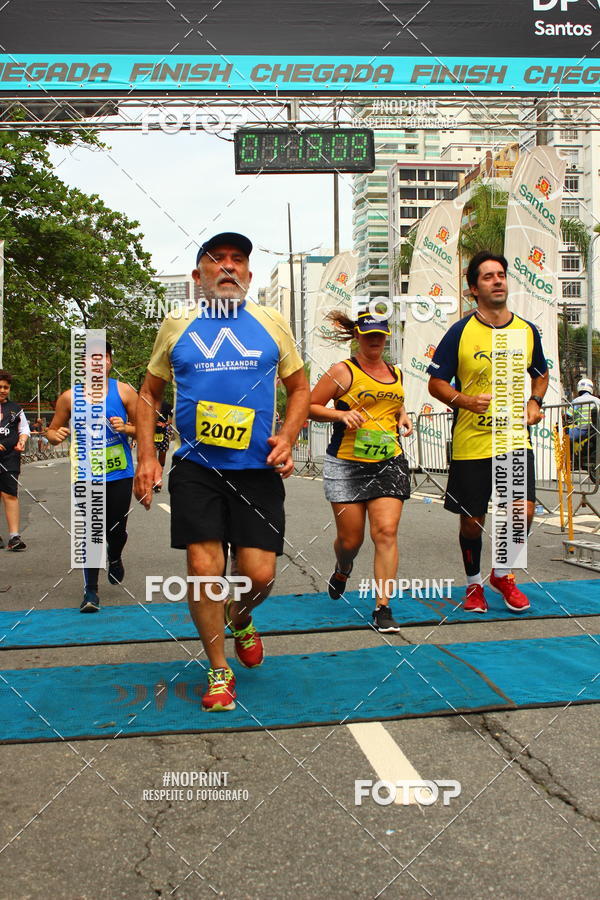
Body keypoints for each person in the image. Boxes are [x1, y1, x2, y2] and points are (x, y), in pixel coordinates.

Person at [134, 232, 309, 712]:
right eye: (217, 260)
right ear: (199, 276)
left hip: (256, 469)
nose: (228, 266)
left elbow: (299, 389)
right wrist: (147, 456)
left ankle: (240, 615)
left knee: (259, 575)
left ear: (248, 274)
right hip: (197, 468)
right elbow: (149, 393)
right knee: (202, 569)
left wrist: (288, 436)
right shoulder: (177, 323)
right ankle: (218, 668)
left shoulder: (271, 322)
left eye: (238, 260)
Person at [427, 250, 548, 614]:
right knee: (472, 521)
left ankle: (503, 573)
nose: (497, 281)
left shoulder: (526, 330)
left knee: (522, 512)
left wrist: (535, 402)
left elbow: (540, 373)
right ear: (473, 289)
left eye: (501, 275)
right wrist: (464, 400)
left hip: (513, 439)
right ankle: (473, 583)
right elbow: (436, 383)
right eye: (488, 276)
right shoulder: (460, 332)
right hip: (472, 442)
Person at [309, 311, 413, 633]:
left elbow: (392, 401)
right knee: (350, 540)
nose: (375, 340)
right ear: (358, 337)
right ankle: (343, 567)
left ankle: (383, 607)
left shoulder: (395, 372)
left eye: (380, 335)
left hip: (388, 460)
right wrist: (340, 416)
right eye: (369, 335)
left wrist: (403, 415)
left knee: (386, 532)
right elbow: (310, 406)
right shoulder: (343, 371)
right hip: (347, 463)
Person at [46, 342, 137, 612]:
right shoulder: (68, 398)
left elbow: (145, 427)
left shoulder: (124, 391)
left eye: (103, 358)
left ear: (110, 361)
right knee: (90, 531)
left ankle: (115, 555)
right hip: (85, 474)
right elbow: (51, 431)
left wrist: (127, 428)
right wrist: (55, 436)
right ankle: (90, 592)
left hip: (119, 472)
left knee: (116, 530)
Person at [0, 370, 30, 550]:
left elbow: (24, 429)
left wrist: (22, 441)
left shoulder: (15, 408)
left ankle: (14, 537)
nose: (3, 390)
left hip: (10, 457)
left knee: (10, 494)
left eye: (6, 387)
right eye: (0, 387)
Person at [568, 377, 600, 457]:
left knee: (565, 436)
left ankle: (570, 458)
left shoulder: (577, 401)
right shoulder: (598, 401)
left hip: (582, 429)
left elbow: (568, 415)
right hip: (595, 429)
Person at [153, 399, 173, 492]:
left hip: (162, 433)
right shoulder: (148, 403)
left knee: (162, 456)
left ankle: (158, 479)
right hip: (151, 432)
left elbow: (174, 415)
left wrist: (166, 423)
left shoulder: (165, 404)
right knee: (152, 457)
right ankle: (153, 480)